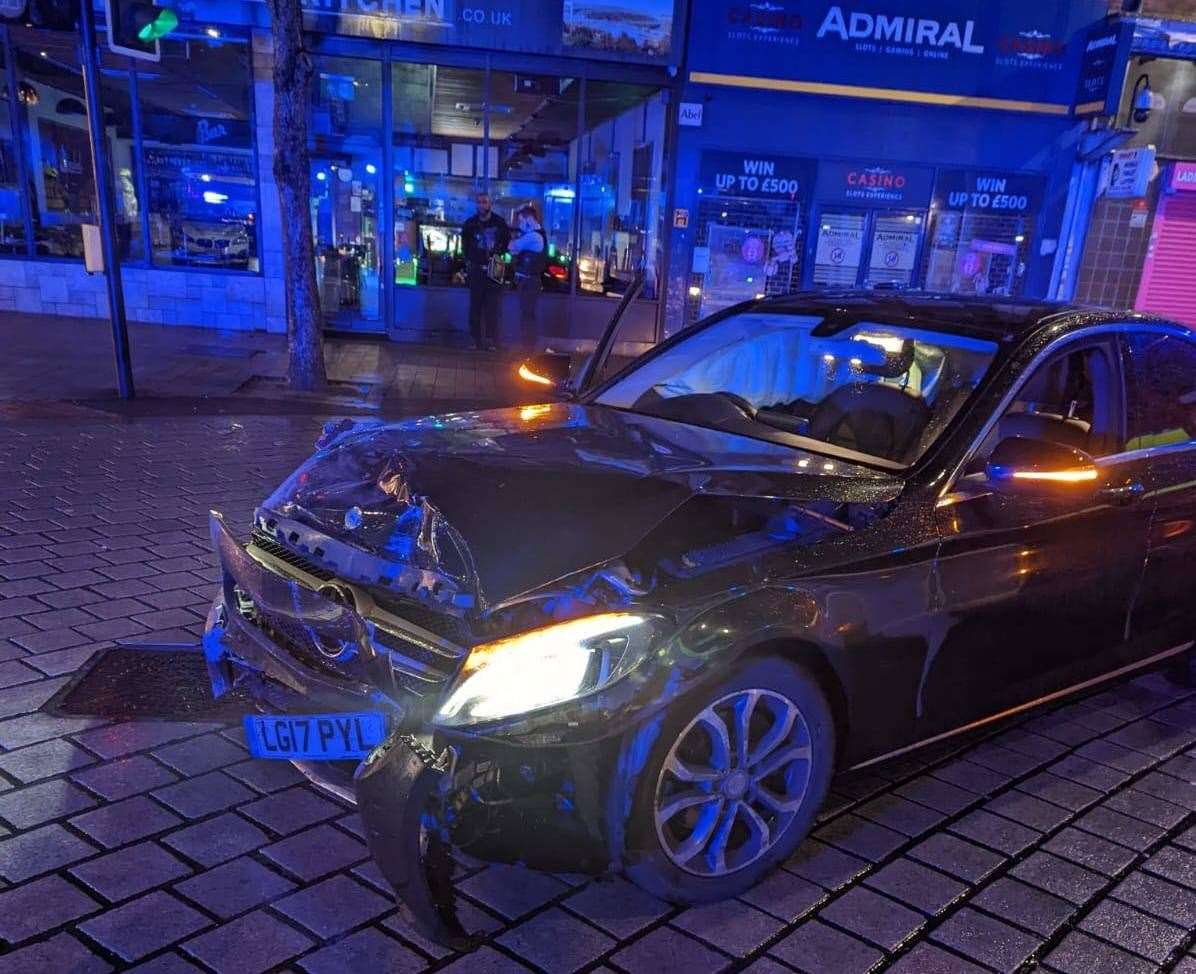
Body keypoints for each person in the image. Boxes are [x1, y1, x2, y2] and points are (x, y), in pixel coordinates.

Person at [461, 192, 509, 351]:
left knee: (493, 307)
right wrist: (470, 262)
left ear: (490, 204)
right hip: (477, 269)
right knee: (475, 306)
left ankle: (492, 341)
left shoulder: (500, 223)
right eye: (479, 202)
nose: (482, 205)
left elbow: (506, 243)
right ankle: (476, 340)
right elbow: (465, 247)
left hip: (495, 267)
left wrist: (499, 256)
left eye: (485, 202)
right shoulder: (470, 224)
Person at [509, 204, 547, 347]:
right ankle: (527, 348)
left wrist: (515, 243)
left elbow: (512, 247)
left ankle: (528, 349)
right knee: (526, 315)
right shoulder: (534, 235)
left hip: (529, 282)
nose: (520, 225)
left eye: (521, 221)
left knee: (527, 316)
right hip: (527, 281)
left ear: (529, 219)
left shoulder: (534, 236)